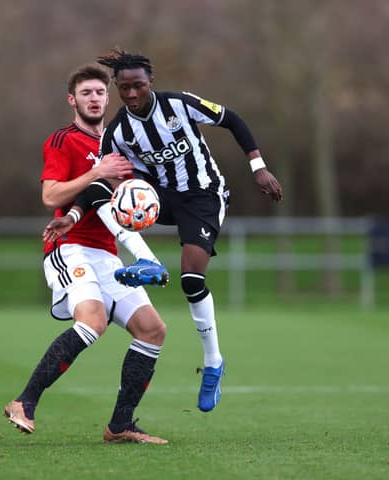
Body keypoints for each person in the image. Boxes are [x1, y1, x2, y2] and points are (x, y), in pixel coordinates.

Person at [96, 48, 283, 413]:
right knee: (110, 207)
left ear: (151, 83)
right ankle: (147, 261)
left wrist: (257, 167)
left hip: (204, 195)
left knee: (191, 279)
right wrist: (78, 209)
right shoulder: (118, 130)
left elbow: (233, 119)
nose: (132, 95)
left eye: (138, 86)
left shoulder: (180, 105)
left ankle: (213, 363)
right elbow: (102, 175)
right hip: (161, 198)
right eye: (124, 88)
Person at [4, 64, 170, 444]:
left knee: (152, 329)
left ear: (108, 98)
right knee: (92, 322)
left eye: (99, 93)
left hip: (108, 253)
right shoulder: (63, 141)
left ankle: (121, 425)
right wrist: (97, 175)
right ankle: (24, 402)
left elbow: (115, 199)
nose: (94, 98)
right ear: (72, 100)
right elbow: (51, 196)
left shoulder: (118, 144)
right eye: (86, 93)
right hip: (70, 247)